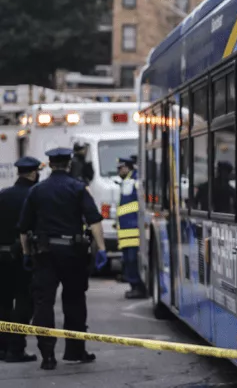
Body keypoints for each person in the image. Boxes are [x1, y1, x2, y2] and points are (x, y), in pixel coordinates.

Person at [18, 147, 107, 370]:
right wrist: (102, 248)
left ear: (49, 164)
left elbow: (24, 227)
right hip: (73, 255)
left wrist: (27, 253)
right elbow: (94, 220)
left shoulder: (37, 191)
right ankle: (75, 351)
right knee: (74, 301)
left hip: (44, 255)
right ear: (68, 164)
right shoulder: (78, 188)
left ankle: (47, 355)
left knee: (43, 303)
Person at [0, 157, 41, 363]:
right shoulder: (34, 196)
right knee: (25, 301)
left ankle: (2, 346)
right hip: (24, 256)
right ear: (33, 173)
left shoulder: (3, 195)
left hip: (1, 256)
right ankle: (16, 348)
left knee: (3, 302)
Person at [116, 157, 145, 299]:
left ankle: (138, 287)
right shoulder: (126, 182)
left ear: (128, 167)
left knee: (133, 260)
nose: (119, 171)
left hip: (133, 231)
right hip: (126, 231)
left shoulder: (134, 182)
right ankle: (134, 286)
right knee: (128, 260)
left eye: (121, 168)